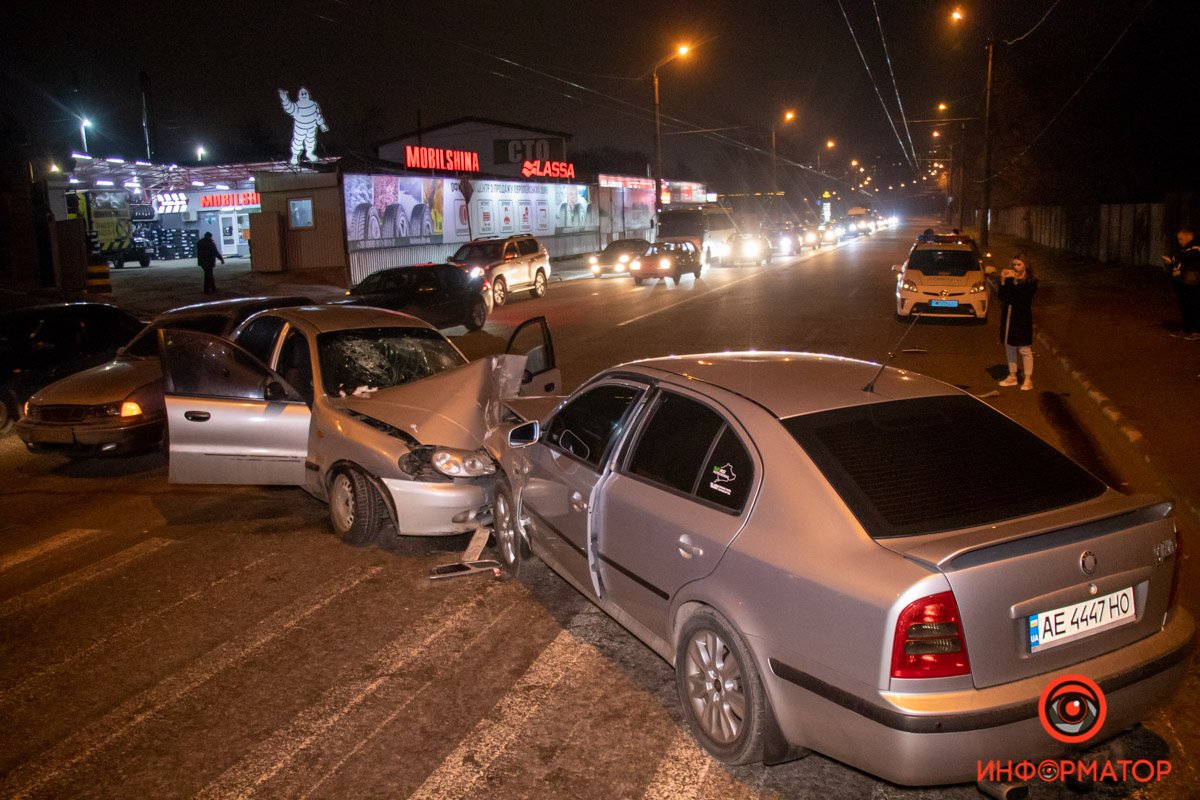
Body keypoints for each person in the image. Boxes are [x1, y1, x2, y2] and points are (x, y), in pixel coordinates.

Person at [997, 253, 1037, 391]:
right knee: (1009, 346)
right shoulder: (1009, 279)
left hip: (1021, 317)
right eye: (1014, 264)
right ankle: (1012, 375)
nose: (1016, 267)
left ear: (1026, 265)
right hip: (1008, 316)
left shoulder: (1031, 282)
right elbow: (1002, 297)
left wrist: (1015, 281)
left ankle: (1027, 379)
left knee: (1024, 349)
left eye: (1019, 264)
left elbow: (1022, 299)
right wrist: (1002, 280)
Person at [1164, 227, 1200, 340]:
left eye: (1181, 239)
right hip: (1182, 281)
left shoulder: (1195, 247)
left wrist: (1175, 258)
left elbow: (1190, 257)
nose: (1179, 241)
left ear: (1189, 237)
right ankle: (1186, 329)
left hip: (1192, 282)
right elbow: (1180, 261)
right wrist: (1172, 262)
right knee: (1184, 306)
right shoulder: (1183, 250)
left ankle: (1196, 331)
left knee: (1193, 306)